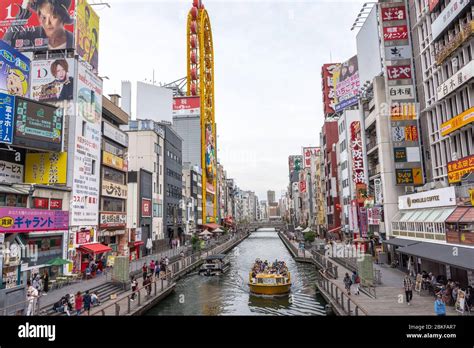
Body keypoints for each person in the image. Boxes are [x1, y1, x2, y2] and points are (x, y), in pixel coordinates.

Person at [3, 0, 74, 50]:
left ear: (63, 18)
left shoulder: (74, 41)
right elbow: (5, 47)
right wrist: (23, 12)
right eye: (44, 17)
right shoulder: (31, 34)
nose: (47, 23)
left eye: (54, 17)